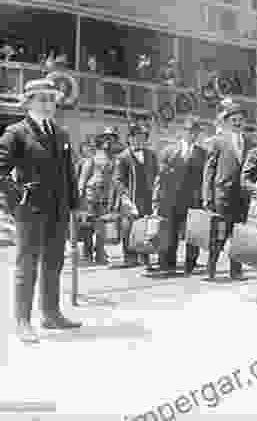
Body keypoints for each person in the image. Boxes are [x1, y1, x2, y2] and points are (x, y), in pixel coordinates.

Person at [0, 77, 81, 343]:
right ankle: (23, 321)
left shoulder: (61, 133)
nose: (49, 104)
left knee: (53, 264)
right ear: (29, 103)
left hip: (58, 211)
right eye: (42, 99)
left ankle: (51, 313)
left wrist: (74, 206)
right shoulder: (16, 133)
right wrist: (17, 199)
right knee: (27, 266)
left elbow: (69, 174)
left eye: (52, 99)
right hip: (30, 210)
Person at [202, 100, 252, 281]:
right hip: (222, 198)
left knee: (238, 235)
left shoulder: (249, 142)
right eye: (234, 120)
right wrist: (207, 198)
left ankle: (236, 270)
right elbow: (209, 172)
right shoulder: (218, 142)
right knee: (219, 235)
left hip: (242, 199)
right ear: (227, 121)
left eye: (240, 120)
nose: (238, 123)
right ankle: (211, 269)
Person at [152, 116, 207, 275]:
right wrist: (156, 200)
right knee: (170, 232)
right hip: (170, 200)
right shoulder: (168, 150)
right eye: (189, 130)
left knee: (193, 233)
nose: (192, 134)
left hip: (193, 200)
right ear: (182, 131)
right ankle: (168, 265)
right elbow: (159, 177)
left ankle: (190, 264)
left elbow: (205, 178)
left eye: (195, 131)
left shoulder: (202, 153)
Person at [113, 123, 158, 268]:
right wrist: (125, 197)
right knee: (128, 228)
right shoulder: (123, 157)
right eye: (137, 137)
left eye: (143, 137)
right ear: (130, 139)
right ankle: (129, 257)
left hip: (148, 198)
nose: (140, 140)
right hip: (131, 198)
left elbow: (156, 175)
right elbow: (118, 180)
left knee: (146, 228)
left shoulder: (151, 155)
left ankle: (144, 257)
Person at [78, 127, 119, 266]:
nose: (109, 142)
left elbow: (115, 181)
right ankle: (87, 253)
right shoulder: (92, 158)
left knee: (101, 228)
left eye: (112, 139)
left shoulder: (115, 160)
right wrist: (79, 197)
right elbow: (83, 179)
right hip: (90, 196)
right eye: (106, 138)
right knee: (88, 227)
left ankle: (100, 252)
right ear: (101, 141)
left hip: (104, 198)